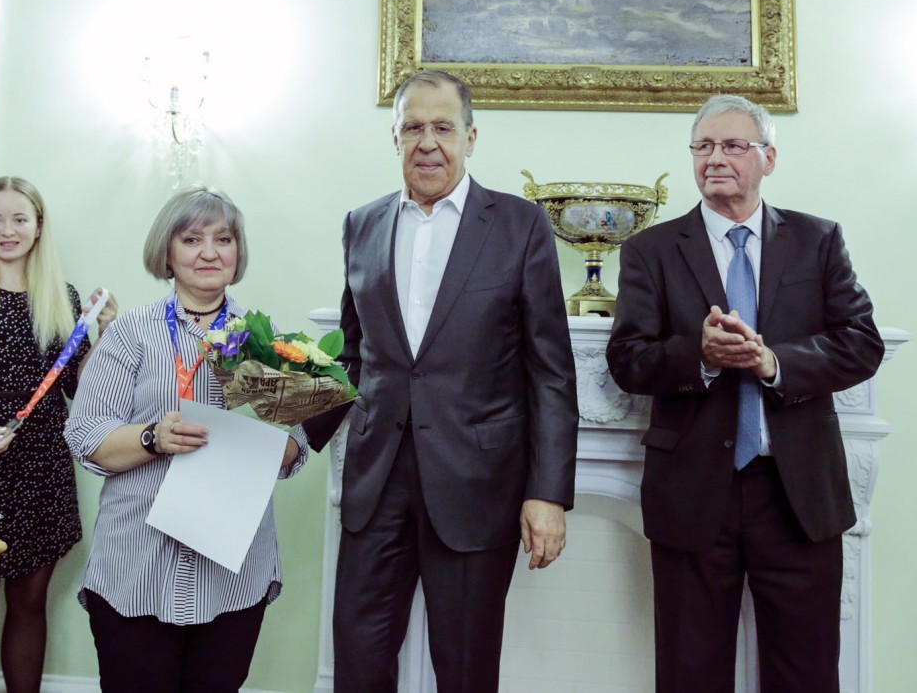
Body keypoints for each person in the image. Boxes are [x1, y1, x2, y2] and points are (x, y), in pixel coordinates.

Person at [302, 70, 579, 693]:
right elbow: (354, 354)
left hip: (477, 486)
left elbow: (551, 373)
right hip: (376, 482)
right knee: (358, 661)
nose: (427, 142)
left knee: (465, 668)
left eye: (443, 128)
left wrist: (548, 494)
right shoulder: (361, 224)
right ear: (394, 137)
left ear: (470, 137)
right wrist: (295, 435)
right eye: (413, 127)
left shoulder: (520, 225)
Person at [605, 93, 885, 692]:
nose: (716, 158)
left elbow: (862, 343)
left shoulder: (817, 240)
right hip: (691, 494)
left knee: (806, 673)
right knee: (689, 674)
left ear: (768, 159)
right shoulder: (650, 250)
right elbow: (627, 360)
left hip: (797, 494)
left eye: (733, 145)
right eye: (703, 146)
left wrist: (774, 362)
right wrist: (700, 357)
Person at [65, 183, 307, 693]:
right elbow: (86, 435)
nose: (209, 253)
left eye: (223, 239)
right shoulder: (131, 333)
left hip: (233, 572)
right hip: (136, 565)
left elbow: (293, 445)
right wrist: (153, 436)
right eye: (192, 240)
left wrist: (275, 442)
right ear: (167, 254)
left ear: (237, 253)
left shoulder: (266, 339)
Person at [0, 176, 116, 693]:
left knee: (30, 603)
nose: (7, 230)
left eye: (18, 219)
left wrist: (103, 335)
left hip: (42, 466)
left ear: (38, 227)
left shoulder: (64, 298)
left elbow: (81, 389)